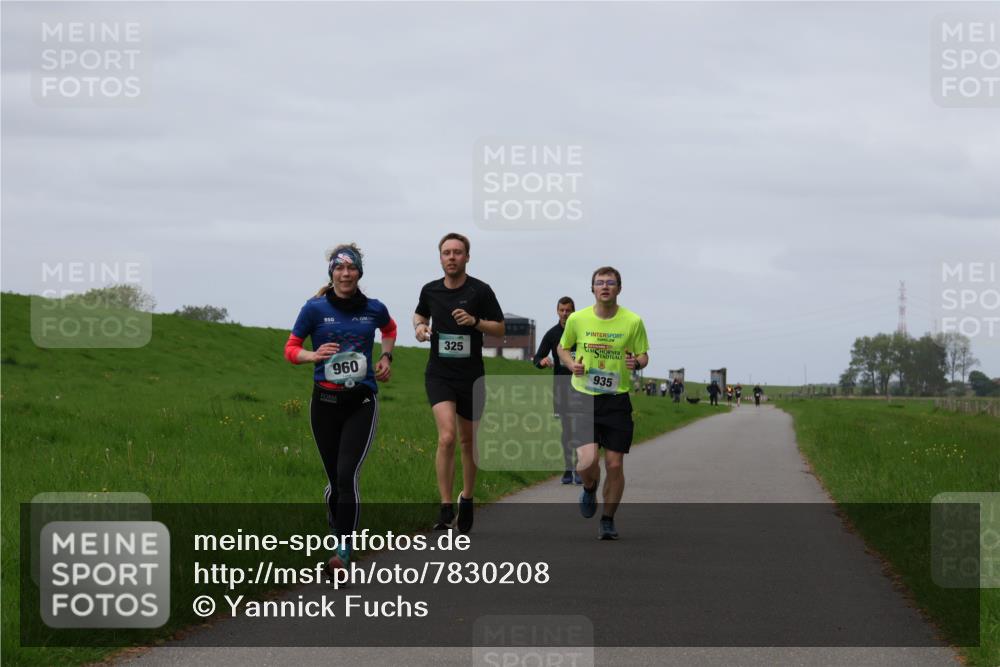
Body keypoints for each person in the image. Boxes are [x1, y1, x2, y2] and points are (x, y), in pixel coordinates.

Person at [284, 244, 396, 570]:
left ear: (359, 272)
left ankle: (342, 553)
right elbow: (291, 349)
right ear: (331, 272)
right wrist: (312, 356)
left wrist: (386, 357)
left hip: (360, 402)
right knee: (335, 479)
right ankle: (338, 526)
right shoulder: (314, 309)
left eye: (351, 269)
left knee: (347, 476)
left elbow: (389, 329)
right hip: (324, 402)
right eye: (339, 268)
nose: (345, 274)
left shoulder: (374, 308)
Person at [414, 233, 504, 533]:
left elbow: (500, 328)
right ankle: (444, 506)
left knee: (468, 441)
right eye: (446, 252)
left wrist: (475, 322)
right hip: (439, 374)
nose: (451, 257)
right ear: (440, 258)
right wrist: (420, 327)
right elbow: (419, 313)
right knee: (447, 437)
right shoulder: (430, 290)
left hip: (471, 376)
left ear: (467, 257)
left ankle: (466, 497)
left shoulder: (481, 290)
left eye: (457, 252)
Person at [557, 266, 649, 540]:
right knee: (585, 463)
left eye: (610, 283)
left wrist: (637, 362)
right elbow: (563, 347)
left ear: (619, 288)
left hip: (617, 399)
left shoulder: (632, 321)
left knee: (615, 464)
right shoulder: (578, 319)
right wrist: (572, 363)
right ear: (593, 289)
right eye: (600, 283)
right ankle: (588, 488)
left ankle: (607, 519)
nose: (605, 287)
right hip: (584, 397)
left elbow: (643, 355)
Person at [533, 296, 581, 485]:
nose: (564, 314)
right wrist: (542, 362)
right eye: (561, 310)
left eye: (568, 310)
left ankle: (580, 468)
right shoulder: (552, 334)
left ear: (573, 311)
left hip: (582, 387)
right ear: (557, 311)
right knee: (568, 430)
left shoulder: (582, 333)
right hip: (562, 387)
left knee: (580, 428)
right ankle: (569, 468)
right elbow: (537, 357)